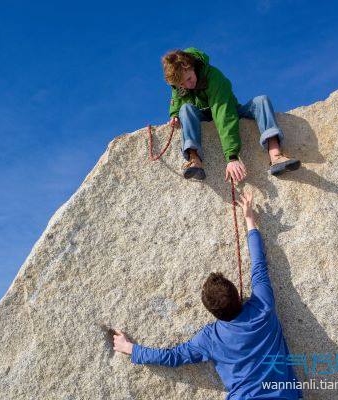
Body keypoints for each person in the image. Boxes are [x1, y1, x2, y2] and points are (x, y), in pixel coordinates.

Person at [112, 191, 302, 399]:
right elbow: (258, 264)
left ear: (213, 312)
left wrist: (130, 348)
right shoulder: (262, 306)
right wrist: (249, 218)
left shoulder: (210, 338)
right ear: (238, 296)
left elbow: (173, 357)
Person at [162, 47, 300, 181]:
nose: (188, 85)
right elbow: (177, 96)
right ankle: (194, 160)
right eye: (182, 84)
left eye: (189, 79)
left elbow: (224, 115)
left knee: (261, 100)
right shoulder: (180, 83)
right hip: (203, 114)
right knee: (185, 109)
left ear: (191, 66)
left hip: (229, 109)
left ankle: (276, 155)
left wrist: (232, 157)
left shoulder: (214, 77)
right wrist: (174, 114)